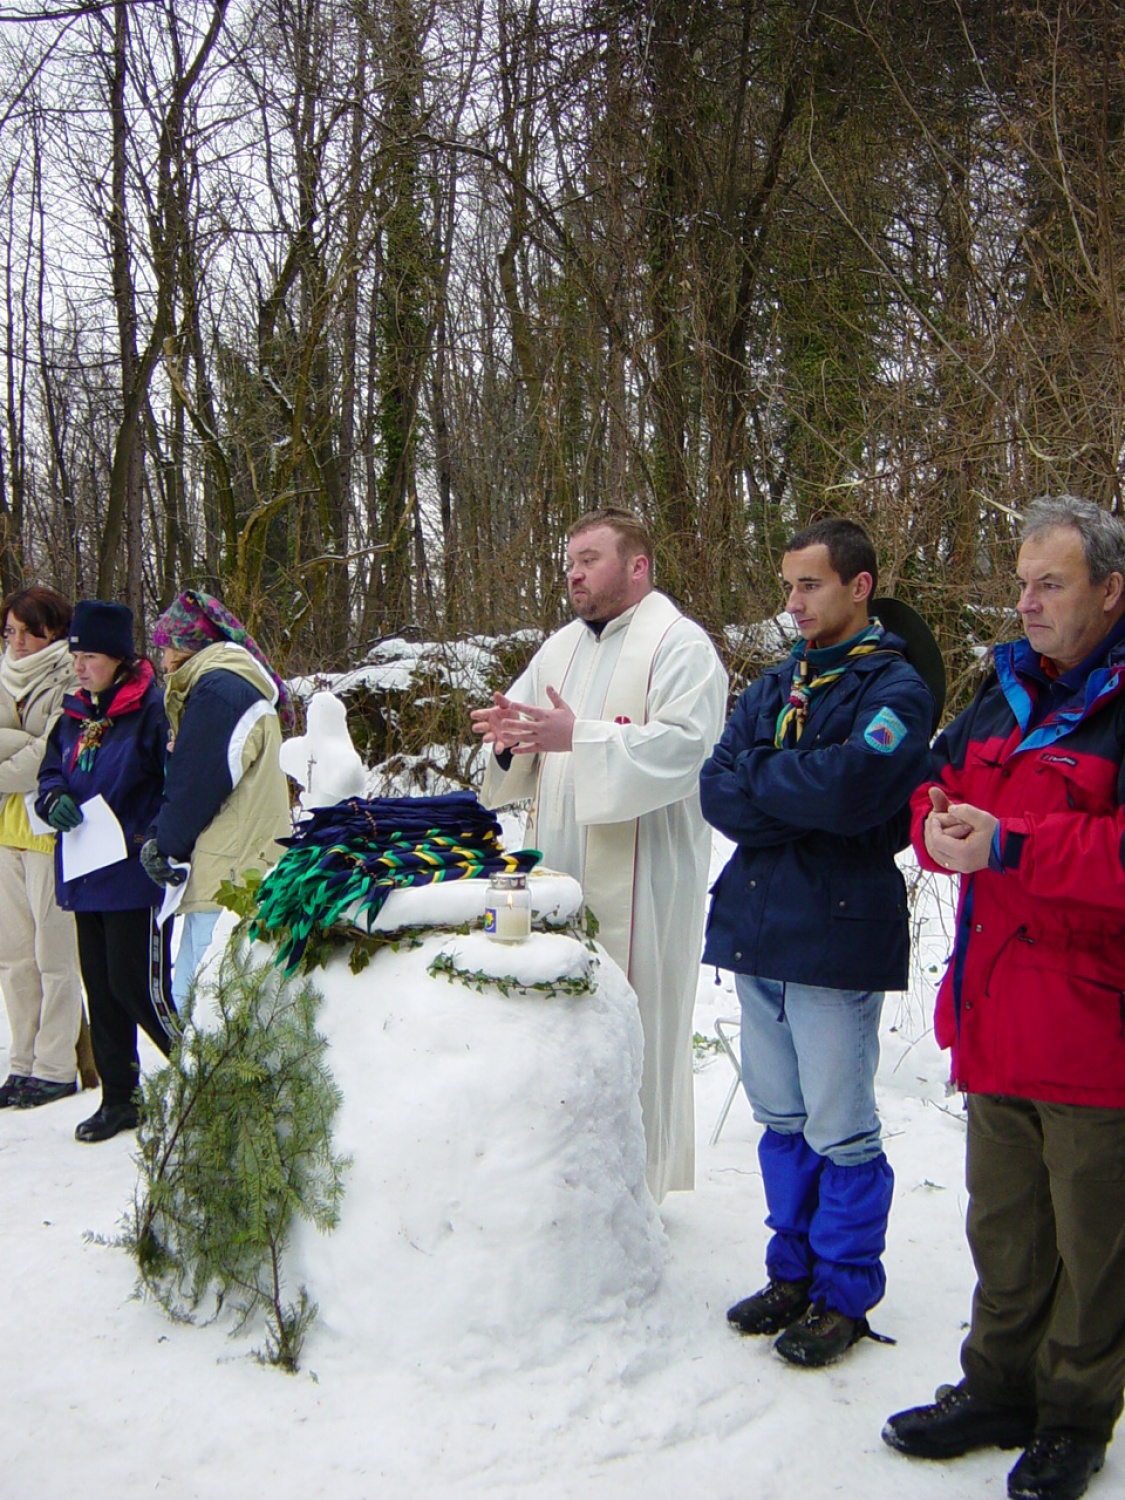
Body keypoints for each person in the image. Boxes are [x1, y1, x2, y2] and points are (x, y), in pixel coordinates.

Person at [883, 496, 1125, 1500]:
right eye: (1021, 583)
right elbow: (936, 782)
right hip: (995, 1011)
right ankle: (996, 1390)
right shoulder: (1002, 687)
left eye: (1050, 584)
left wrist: (1015, 844)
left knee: (1094, 1244)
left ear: (1111, 591)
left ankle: (1073, 1419)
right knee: (1004, 1225)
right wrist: (932, 820)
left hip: (1094, 1026)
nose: (1025, 602)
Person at [700, 518, 933, 1367]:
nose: (791, 603)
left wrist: (762, 777)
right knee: (780, 1120)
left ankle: (841, 1292)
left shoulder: (895, 691)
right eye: (787, 585)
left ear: (859, 586)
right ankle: (790, 1273)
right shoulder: (774, 684)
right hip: (757, 925)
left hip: (835, 934)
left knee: (840, 1129)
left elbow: (848, 794)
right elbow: (713, 791)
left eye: (809, 586)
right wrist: (780, 782)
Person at [471, 508, 728, 1202]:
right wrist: (505, 741)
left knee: (638, 1018)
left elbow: (689, 749)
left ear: (637, 566)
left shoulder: (680, 646)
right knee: (563, 1019)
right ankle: (568, 1177)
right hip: (560, 864)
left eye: (589, 558)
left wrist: (578, 737)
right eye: (568, 562)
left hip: (647, 873)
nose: (573, 574)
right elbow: (523, 737)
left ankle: (637, 1188)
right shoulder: (557, 649)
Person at [36, 600, 176, 1143]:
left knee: (133, 985)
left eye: (89, 656)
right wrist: (52, 800)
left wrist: (157, 837)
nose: (79, 667)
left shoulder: (150, 710)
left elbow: (168, 781)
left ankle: (202, 1073)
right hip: (83, 870)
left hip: (130, 868)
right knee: (100, 986)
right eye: (76, 656)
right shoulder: (73, 714)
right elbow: (52, 772)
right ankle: (120, 1098)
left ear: (117, 657)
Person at [141, 590, 292, 1008]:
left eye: (167, 645)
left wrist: (163, 842)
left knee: (206, 1001)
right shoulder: (227, 686)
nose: (162, 658)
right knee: (196, 994)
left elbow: (196, 784)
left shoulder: (220, 692)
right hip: (234, 864)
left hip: (233, 873)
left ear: (190, 646)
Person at [0, 586, 85, 1108]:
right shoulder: (2, 675)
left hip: (49, 835)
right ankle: (22, 1062)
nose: (21, 641)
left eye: (32, 630)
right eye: (12, 630)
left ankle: (56, 1066)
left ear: (55, 631)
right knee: (13, 958)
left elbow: (51, 752)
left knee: (55, 956)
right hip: (5, 832)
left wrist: (21, 750)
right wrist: (21, 749)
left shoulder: (68, 676)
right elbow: (27, 753)